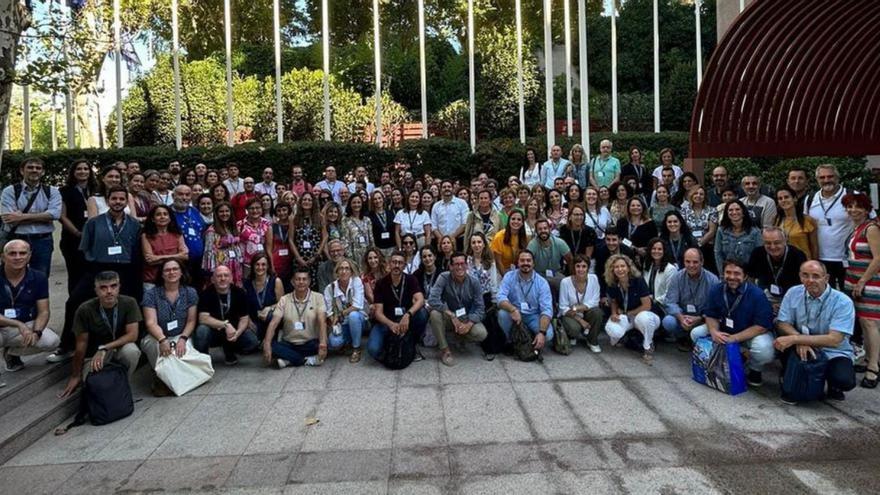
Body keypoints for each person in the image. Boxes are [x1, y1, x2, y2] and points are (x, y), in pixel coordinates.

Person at [775, 261, 857, 403]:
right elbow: (782, 323)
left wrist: (797, 339)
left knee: (844, 380)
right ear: (800, 276)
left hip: (833, 351)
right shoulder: (793, 292)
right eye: (805, 275)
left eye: (816, 276)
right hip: (801, 347)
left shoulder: (843, 302)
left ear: (826, 278)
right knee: (781, 344)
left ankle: (833, 385)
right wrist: (800, 340)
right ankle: (792, 375)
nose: (810, 280)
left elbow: (834, 339)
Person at [58, 271, 142, 399]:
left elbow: (133, 335)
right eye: (103, 287)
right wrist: (75, 375)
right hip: (93, 356)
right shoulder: (85, 309)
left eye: (113, 286)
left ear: (119, 287)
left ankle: (123, 385)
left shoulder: (129, 303)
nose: (109, 291)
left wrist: (105, 347)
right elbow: (80, 346)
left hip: (116, 349)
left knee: (132, 351)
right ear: (96, 290)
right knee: (95, 386)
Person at [700, 259, 774, 386]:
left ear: (745, 276)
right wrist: (714, 332)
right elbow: (710, 315)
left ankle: (755, 369)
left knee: (764, 349)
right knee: (696, 334)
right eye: (728, 273)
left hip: (750, 334)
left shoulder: (757, 294)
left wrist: (734, 338)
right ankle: (728, 361)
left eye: (737, 273)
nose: (732, 277)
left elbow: (761, 327)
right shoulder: (716, 290)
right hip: (725, 331)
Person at [141, 259, 200, 396]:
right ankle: (162, 378)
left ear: (181, 272)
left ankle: (170, 381)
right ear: (161, 274)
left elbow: (191, 321)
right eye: (167, 270)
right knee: (163, 352)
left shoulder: (190, 292)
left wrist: (183, 339)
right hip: (156, 336)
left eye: (175, 269)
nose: (171, 272)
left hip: (181, 335)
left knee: (184, 356)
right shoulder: (151, 294)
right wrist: (162, 339)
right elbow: (150, 323)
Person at [0, 240, 59, 373]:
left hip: (26, 325)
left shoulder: (38, 277)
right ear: (3, 257)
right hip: (3, 327)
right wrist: (17, 324)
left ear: (29, 256)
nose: (18, 257)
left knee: (52, 341)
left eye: (22, 253)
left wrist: (37, 332)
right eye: (12, 254)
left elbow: (44, 311)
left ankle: (12, 353)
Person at [0, 158, 62, 276]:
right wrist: (43, 216)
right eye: (30, 167)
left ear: (42, 172)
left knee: (41, 277)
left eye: (38, 168)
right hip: (15, 238)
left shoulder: (52, 191)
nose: (34, 170)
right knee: (11, 276)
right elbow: (8, 218)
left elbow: (54, 214)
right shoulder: (10, 191)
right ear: (22, 171)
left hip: (42, 241)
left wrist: (21, 217)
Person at [843, 192, 880, 389]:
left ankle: (873, 367)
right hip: (854, 279)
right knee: (863, 323)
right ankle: (869, 358)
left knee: (870, 323)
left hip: (870, 282)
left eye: (858, 206)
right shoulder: (858, 227)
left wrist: (863, 281)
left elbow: (878, 258)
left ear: (867, 208)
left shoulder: (872, 228)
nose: (853, 210)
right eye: (849, 206)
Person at [366, 250, 428, 361]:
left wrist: (408, 315)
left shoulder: (411, 279)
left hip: (406, 321)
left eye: (400, 263)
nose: (396, 265)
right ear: (389, 264)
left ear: (404, 266)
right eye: (394, 262)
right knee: (373, 350)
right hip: (386, 321)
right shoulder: (381, 283)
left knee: (422, 313)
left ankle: (412, 342)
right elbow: (378, 313)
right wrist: (391, 324)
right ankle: (392, 345)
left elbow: (420, 300)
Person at [427, 252, 487, 366]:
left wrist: (469, 324)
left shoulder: (474, 282)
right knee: (434, 314)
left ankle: (460, 336)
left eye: (462, 263)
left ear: (467, 265)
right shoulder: (444, 277)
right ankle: (445, 350)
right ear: (450, 266)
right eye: (456, 264)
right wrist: (451, 314)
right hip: (449, 316)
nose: (460, 267)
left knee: (481, 333)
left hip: (466, 317)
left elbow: (480, 308)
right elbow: (432, 299)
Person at [194, 265, 259, 365]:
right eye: (219, 276)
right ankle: (203, 359)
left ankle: (230, 350)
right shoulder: (206, 294)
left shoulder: (240, 293)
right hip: (214, 331)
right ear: (213, 279)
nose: (223, 279)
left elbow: (244, 319)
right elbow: (203, 318)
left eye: (226, 275)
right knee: (201, 331)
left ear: (231, 278)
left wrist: (238, 333)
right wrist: (225, 325)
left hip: (233, 331)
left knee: (252, 341)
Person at [263, 269, 328, 368]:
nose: (301, 282)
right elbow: (273, 323)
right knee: (270, 345)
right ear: (292, 282)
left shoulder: (318, 297)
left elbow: (322, 321)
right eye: (298, 279)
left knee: (321, 345)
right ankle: (306, 360)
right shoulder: (284, 299)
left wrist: (323, 343)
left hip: (310, 343)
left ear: (309, 281)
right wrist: (267, 344)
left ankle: (288, 360)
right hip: (289, 343)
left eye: (304, 279)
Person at [604, 254, 660, 363]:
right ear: (612, 269)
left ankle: (648, 346)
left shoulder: (638, 280)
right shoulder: (612, 283)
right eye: (616, 267)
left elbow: (647, 305)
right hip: (628, 316)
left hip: (645, 314)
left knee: (643, 318)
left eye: (623, 266)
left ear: (629, 267)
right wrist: (614, 313)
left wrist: (626, 312)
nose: (620, 269)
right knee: (613, 329)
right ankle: (622, 336)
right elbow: (614, 301)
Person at [662, 248, 720, 351]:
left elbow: (716, 308)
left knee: (698, 332)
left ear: (702, 262)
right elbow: (670, 302)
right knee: (668, 322)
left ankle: (701, 342)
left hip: (703, 319)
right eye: (687, 262)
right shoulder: (677, 277)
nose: (691, 265)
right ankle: (683, 338)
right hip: (683, 317)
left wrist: (700, 318)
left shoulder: (713, 280)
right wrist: (681, 318)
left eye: (695, 262)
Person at [496, 250, 554, 351]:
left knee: (548, 335)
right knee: (502, 314)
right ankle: (511, 341)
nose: (525, 263)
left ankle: (531, 338)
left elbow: (547, 310)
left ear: (533, 263)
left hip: (533, 315)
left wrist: (542, 333)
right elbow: (500, 298)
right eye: (522, 260)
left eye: (528, 260)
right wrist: (513, 309)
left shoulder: (542, 282)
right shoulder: (509, 276)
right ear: (517, 263)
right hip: (515, 313)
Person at [805, 164, 851, 289]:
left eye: (830, 176)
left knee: (848, 297)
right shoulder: (810, 199)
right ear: (817, 180)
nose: (826, 180)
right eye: (822, 177)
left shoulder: (852, 196)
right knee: (825, 297)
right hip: (820, 259)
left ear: (837, 177)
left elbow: (871, 222)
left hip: (847, 259)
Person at [746, 227, 807, 312]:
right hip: (765, 295)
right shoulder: (757, 253)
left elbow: (803, 287)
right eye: (768, 243)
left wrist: (785, 304)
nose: (773, 247)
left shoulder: (797, 255)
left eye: (777, 243)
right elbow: (750, 280)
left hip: (792, 297)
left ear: (785, 241)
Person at [58, 160, 96, 292]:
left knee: (93, 275)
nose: (83, 171)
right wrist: (78, 233)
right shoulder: (64, 191)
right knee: (76, 276)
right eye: (79, 169)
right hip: (73, 240)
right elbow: (62, 216)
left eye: (86, 169)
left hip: (95, 240)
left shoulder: (96, 189)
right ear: (73, 172)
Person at [323, 258, 367, 363]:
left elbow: (357, 305)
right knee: (334, 342)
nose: (344, 271)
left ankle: (356, 348)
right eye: (341, 269)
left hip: (359, 319)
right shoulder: (330, 288)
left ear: (351, 271)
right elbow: (328, 310)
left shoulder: (356, 281)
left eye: (347, 268)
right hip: (343, 323)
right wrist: (333, 320)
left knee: (353, 316)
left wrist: (339, 314)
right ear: (337, 272)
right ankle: (348, 341)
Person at [558, 255, 604, 353]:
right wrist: (580, 320)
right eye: (578, 266)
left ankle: (592, 340)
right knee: (574, 329)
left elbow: (595, 301)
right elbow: (563, 308)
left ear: (588, 268)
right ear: (573, 267)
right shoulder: (565, 282)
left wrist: (576, 307)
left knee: (597, 312)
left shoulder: (594, 278)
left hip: (585, 311)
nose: (581, 269)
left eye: (584, 266)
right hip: (571, 315)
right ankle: (572, 336)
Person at [141, 205, 189, 291]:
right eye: (158, 214)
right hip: (152, 281)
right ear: (152, 219)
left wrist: (158, 258)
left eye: (165, 214)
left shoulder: (177, 234)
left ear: (170, 218)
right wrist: (177, 256)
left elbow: (185, 257)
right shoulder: (146, 236)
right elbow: (150, 261)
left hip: (174, 280)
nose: (162, 217)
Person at [170, 185, 206, 287]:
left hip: (198, 262)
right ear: (173, 196)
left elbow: (202, 231)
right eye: (180, 194)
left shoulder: (195, 211)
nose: (184, 198)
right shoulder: (167, 213)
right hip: (179, 261)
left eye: (187, 195)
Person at [526, 218, 572, 298]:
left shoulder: (559, 242)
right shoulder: (532, 244)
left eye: (545, 228)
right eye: (540, 229)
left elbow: (570, 260)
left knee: (565, 283)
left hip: (555, 273)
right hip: (538, 274)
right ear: (536, 231)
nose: (543, 231)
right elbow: (527, 262)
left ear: (550, 229)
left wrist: (572, 278)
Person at [244, 253, 284, 341]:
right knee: (249, 341)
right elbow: (244, 307)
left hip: (271, 320)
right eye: (257, 264)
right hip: (254, 321)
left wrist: (269, 308)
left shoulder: (276, 281)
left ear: (268, 266)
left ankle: (270, 340)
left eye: (263, 265)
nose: (260, 267)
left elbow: (282, 304)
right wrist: (248, 320)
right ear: (253, 266)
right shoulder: (247, 284)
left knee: (271, 315)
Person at [714, 200, 762, 274]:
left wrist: (752, 275)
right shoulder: (721, 231)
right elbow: (718, 253)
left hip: (749, 275)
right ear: (727, 213)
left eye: (737, 209)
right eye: (730, 210)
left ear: (743, 212)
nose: (734, 212)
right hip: (728, 274)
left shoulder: (755, 232)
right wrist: (722, 273)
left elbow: (760, 255)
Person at [203, 202, 244, 286]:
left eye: (227, 211)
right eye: (221, 211)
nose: (224, 214)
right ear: (216, 214)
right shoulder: (211, 231)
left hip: (235, 267)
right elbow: (209, 253)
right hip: (221, 269)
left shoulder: (232, 228)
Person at [291, 191, 324, 288]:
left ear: (313, 202)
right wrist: (298, 258)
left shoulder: (320, 218)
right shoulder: (294, 218)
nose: (307, 202)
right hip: (300, 258)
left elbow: (324, 237)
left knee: (316, 286)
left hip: (315, 259)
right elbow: (290, 239)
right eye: (305, 199)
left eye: (310, 200)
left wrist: (316, 255)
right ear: (300, 202)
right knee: (301, 285)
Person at [775, 185, 818, 260]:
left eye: (786, 197)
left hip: (803, 262)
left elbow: (814, 246)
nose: (783, 200)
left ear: (794, 199)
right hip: (783, 262)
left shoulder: (807, 220)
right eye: (780, 198)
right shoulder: (776, 220)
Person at [237, 198, 273, 279]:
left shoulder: (267, 224)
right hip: (245, 264)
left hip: (262, 264)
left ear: (262, 209)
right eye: (252, 208)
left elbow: (269, 248)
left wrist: (272, 266)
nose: (255, 210)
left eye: (257, 208)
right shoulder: (240, 225)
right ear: (247, 210)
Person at [643, 238, 678, 316]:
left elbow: (670, 294)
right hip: (647, 302)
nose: (656, 251)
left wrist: (654, 300)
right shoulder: (647, 265)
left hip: (662, 305)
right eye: (654, 249)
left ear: (664, 251)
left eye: (659, 249)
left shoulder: (670, 269)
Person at [491, 210, 529, 278]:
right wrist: (506, 278)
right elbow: (498, 262)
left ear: (522, 223)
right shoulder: (499, 237)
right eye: (513, 219)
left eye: (519, 219)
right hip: (500, 271)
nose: (516, 221)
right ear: (509, 221)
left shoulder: (524, 237)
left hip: (516, 269)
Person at [431, 179, 469, 246]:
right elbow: (434, 226)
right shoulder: (436, 206)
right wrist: (441, 238)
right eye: (444, 187)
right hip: (441, 241)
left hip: (459, 240)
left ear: (453, 189)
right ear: (440, 190)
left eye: (449, 187)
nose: (447, 188)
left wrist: (452, 237)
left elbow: (465, 223)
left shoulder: (462, 203)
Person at [341, 194, 373, 265]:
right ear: (350, 204)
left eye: (359, 202)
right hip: (353, 254)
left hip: (366, 253)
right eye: (354, 202)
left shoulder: (367, 220)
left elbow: (371, 238)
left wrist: (372, 253)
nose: (356, 205)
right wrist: (350, 257)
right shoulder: (345, 220)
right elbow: (345, 240)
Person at [271, 202, 293, 287]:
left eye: (284, 210)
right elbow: (269, 247)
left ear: (289, 211)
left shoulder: (293, 225)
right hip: (277, 262)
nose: (282, 213)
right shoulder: (273, 226)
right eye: (279, 211)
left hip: (291, 261)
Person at [369, 191, 396, 257]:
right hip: (378, 248)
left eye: (379, 198)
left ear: (383, 199)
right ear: (372, 201)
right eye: (375, 199)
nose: (378, 201)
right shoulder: (369, 216)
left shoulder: (391, 213)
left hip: (392, 246)